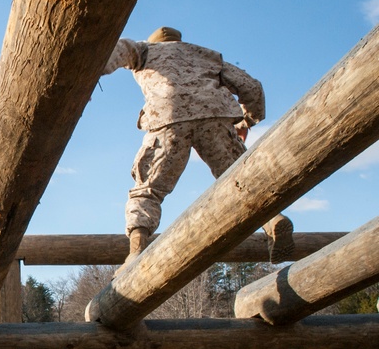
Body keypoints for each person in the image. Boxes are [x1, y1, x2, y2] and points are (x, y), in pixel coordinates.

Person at [102, 26, 295, 272]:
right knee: (240, 177)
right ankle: (274, 221)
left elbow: (119, 49)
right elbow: (252, 87)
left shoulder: (145, 50)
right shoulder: (207, 55)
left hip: (168, 118)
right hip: (216, 116)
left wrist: (90, 74)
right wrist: (247, 120)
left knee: (148, 189)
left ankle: (136, 252)